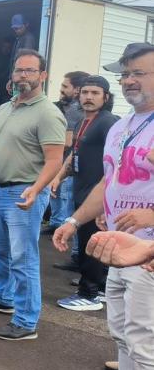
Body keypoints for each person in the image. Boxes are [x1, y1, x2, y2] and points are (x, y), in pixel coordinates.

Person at [52, 42, 154, 370]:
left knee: (146, 342)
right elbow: (108, 183)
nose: (128, 80)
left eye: (138, 72)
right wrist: (74, 221)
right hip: (116, 248)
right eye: (124, 73)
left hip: (146, 253)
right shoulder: (123, 126)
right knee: (124, 335)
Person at [0, 49, 66, 341]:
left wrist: (37, 189)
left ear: (42, 76)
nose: (23, 75)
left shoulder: (48, 113)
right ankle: (3, 298)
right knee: (1, 250)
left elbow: (54, 160)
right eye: (18, 70)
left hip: (25, 193)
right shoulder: (4, 109)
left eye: (30, 71)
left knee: (24, 258)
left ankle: (25, 321)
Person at [49, 76, 118, 311]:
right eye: (85, 92)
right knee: (89, 243)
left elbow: (117, 163)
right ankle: (99, 287)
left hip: (97, 197)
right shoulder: (82, 122)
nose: (89, 97)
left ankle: (89, 295)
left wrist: (107, 199)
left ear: (105, 97)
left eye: (95, 93)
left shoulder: (109, 123)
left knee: (93, 243)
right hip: (81, 191)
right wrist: (59, 176)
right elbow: (74, 153)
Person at [46, 71, 91, 270]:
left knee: (70, 207)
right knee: (60, 199)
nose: (61, 90)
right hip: (68, 165)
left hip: (71, 167)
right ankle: (58, 229)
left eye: (65, 87)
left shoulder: (75, 111)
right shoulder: (69, 108)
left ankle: (74, 254)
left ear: (76, 90)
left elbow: (69, 143)